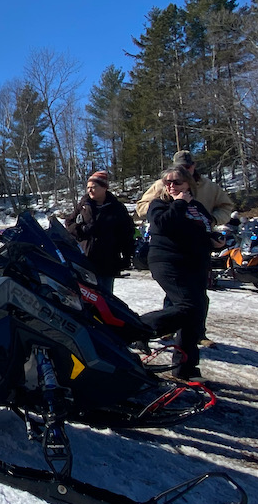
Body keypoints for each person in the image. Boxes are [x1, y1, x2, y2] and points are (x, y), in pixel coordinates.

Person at [140, 166, 215, 380]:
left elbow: (204, 231)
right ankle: (140, 328)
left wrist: (215, 241)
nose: (171, 186)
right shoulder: (159, 204)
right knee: (188, 306)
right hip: (168, 261)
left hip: (195, 264)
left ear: (188, 184)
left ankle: (186, 369)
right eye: (168, 182)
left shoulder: (197, 207)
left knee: (195, 312)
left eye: (177, 182)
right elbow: (163, 224)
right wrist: (180, 202)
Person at [63, 171, 136, 295]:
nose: (90, 190)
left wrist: (127, 256)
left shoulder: (117, 207)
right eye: (88, 187)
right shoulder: (83, 205)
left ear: (104, 188)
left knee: (105, 297)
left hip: (108, 260)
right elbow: (69, 223)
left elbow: (127, 233)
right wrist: (82, 229)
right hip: (85, 258)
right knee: (86, 296)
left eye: (94, 187)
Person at [136, 151, 235, 224]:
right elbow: (141, 208)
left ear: (194, 165)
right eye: (180, 167)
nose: (184, 171)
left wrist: (212, 220)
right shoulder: (162, 185)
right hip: (169, 239)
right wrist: (164, 207)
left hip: (199, 238)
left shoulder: (209, 186)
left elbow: (226, 207)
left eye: (187, 167)